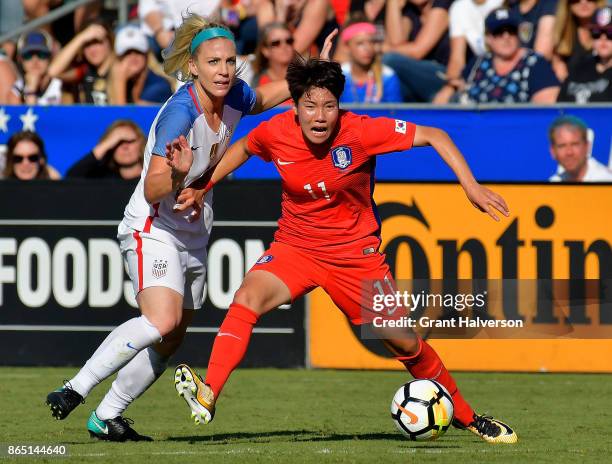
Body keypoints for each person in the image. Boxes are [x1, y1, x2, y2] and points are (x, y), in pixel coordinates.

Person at [169, 58, 518, 444]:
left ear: (339, 106)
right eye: (310, 106)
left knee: (403, 342)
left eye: (329, 106)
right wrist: (203, 185)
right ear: (295, 105)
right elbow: (245, 148)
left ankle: (468, 417)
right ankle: (210, 392)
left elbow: (435, 135)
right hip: (296, 247)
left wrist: (471, 186)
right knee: (247, 297)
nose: (319, 116)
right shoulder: (277, 130)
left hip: (356, 257)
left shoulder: (362, 132)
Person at [45, 14, 337, 442]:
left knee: (173, 336)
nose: (223, 69)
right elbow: (151, 189)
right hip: (154, 226)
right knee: (161, 320)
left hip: (194, 232)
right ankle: (75, 388)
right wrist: (180, 175)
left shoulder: (235, 93)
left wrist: (315, 73)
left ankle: (107, 416)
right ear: (193, 67)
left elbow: (270, 96)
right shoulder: (180, 114)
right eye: (213, 61)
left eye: (229, 61)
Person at [458, 8, 560, 103]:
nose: (506, 37)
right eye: (499, 32)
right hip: (473, 121)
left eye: (511, 31)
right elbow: (456, 92)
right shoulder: (478, 63)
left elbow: (545, 110)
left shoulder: (536, 64)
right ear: (488, 38)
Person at [433, 0, 504, 103]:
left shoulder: (503, 3)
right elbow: (457, 59)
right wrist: (450, 86)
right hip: (479, 72)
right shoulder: (460, 7)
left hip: (508, 69)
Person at [383, 0, 454, 102]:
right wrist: (393, 3)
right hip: (419, 76)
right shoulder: (411, 11)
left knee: (389, 60)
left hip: (445, 76)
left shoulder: (443, 4)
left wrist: (382, 48)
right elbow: (396, 42)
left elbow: (417, 52)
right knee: (393, 76)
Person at [48, 19, 114, 105]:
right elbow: (53, 72)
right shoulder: (84, 70)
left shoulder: (122, 68)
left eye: (97, 42)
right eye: (87, 44)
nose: (92, 50)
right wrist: (81, 37)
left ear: (110, 42)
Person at [339, 17, 402, 103]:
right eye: (360, 43)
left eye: (371, 42)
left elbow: (396, 114)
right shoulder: (339, 76)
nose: (368, 48)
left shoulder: (387, 76)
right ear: (347, 47)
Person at [558, 6, 612, 103]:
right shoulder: (579, 68)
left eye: (610, 33)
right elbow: (560, 108)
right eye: (596, 33)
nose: (603, 39)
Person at [108, 25, 173, 105]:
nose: (133, 57)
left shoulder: (159, 86)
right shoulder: (113, 82)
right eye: (127, 53)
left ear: (146, 55)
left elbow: (124, 116)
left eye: (138, 52)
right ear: (118, 59)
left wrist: (119, 82)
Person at [66, 120, 146, 180]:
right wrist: (105, 145)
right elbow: (71, 178)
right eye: (118, 142)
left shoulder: (150, 178)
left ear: (142, 143)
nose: (125, 147)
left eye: (129, 141)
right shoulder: (102, 177)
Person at [552, 0, 606, 82]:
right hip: (572, 90)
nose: (583, 2)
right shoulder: (561, 34)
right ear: (567, 3)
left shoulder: (608, 32)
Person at [548, 115, 612, 182]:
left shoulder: (606, 181)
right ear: (553, 151)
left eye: (575, 144)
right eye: (562, 146)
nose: (569, 152)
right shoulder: (553, 184)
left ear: (587, 146)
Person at [8, 30, 63, 105]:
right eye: (28, 55)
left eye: (42, 54)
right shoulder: (16, 91)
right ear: (20, 60)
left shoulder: (61, 84)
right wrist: (31, 90)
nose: (35, 61)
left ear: (50, 58)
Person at [252, 22, 295, 104]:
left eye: (289, 41)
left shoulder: (305, 77)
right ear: (265, 50)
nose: (284, 46)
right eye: (276, 43)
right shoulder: (258, 82)